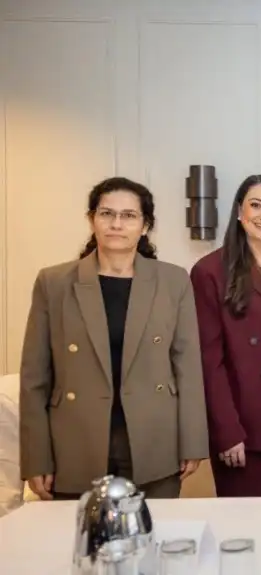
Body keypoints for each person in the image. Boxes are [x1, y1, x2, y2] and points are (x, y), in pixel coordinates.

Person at [19, 177, 207, 500]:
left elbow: (187, 368)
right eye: (107, 213)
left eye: (129, 215)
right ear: (91, 219)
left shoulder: (173, 281)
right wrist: (36, 458)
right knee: (80, 532)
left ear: (145, 226)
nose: (116, 224)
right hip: (75, 441)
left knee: (151, 528)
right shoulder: (54, 283)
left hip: (153, 441)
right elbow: (34, 377)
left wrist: (192, 442)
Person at [190, 175, 261, 497]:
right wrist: (227, 431)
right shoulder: (211, 270)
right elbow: (209, 361)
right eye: (256, 205)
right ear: (240, 212)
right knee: (246, 523)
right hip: (244, 425)